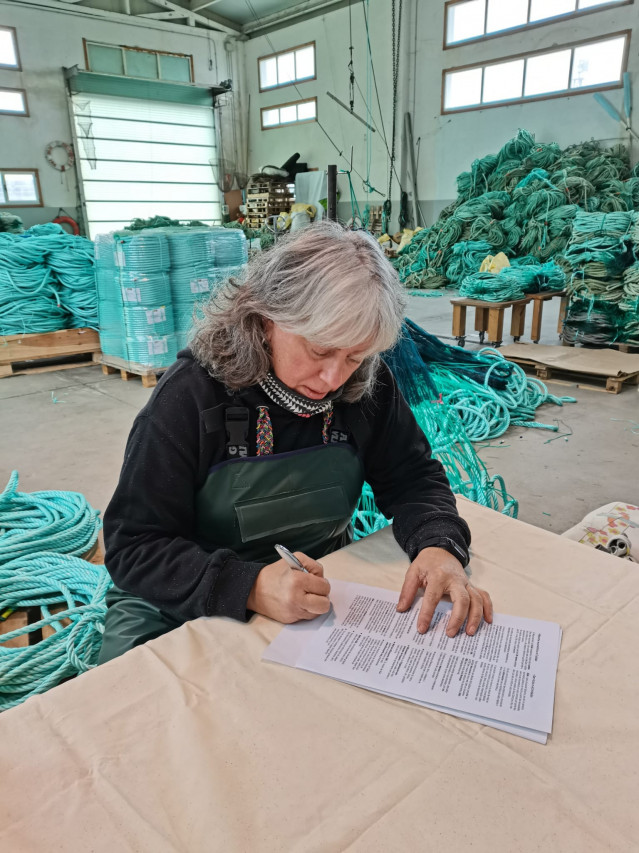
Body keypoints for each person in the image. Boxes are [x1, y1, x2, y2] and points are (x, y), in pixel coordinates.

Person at [99, 221, 492, 664]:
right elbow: (134, 546)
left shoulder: (364, 386)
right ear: (267, 319)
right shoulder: (190, 396)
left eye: (355, 357)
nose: (334, 379)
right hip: (175, 597)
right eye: (320, 350)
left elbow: (413, 477)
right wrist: (247, 586)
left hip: (312, 588)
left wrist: (438, 545)